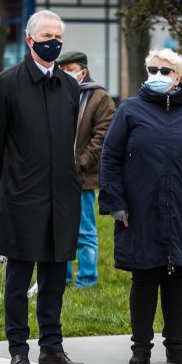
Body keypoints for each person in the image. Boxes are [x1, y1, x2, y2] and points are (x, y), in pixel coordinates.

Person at [0, 9, 88, 364]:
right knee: (19, 277)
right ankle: (18, 349)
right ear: (29, 40)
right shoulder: (6, 84)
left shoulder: (70, 86)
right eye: (45, 35)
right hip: (22, 194)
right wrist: (11, 178)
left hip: (62, 195)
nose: (52, 41)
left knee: (55, 276)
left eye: (57, 35)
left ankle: (52, 348)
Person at [100, 49, 182, 364]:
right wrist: (115, 203)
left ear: (178, 78)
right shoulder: (130, 110)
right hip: (140, 208)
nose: (157, 75)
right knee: (143, 276)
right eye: (153, 69)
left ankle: (176, 346)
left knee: (175, 276)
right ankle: (141, 348)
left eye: (165, 71)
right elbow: (109, 158)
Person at [57, 50, 116, 288]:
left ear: (83, 71)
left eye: (69, 70)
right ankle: (62, 278)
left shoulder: (99, 98)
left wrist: (79, 163)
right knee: (60, 230)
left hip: (82, 175)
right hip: (57, 173)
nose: (65, 74)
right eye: (62, 70)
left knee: (84, 230)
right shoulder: (56, 93)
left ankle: (87, 280)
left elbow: (102, 138)